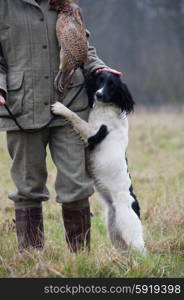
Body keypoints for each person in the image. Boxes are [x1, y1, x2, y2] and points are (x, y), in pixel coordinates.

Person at [0, 0, 120, 253]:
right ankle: (32, 258)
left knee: (76, 184)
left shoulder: (65, 4)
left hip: (71, 104)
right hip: (22, 107)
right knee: (27, 186)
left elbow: (83, 48)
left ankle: (80, 259)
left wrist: (99, 69)